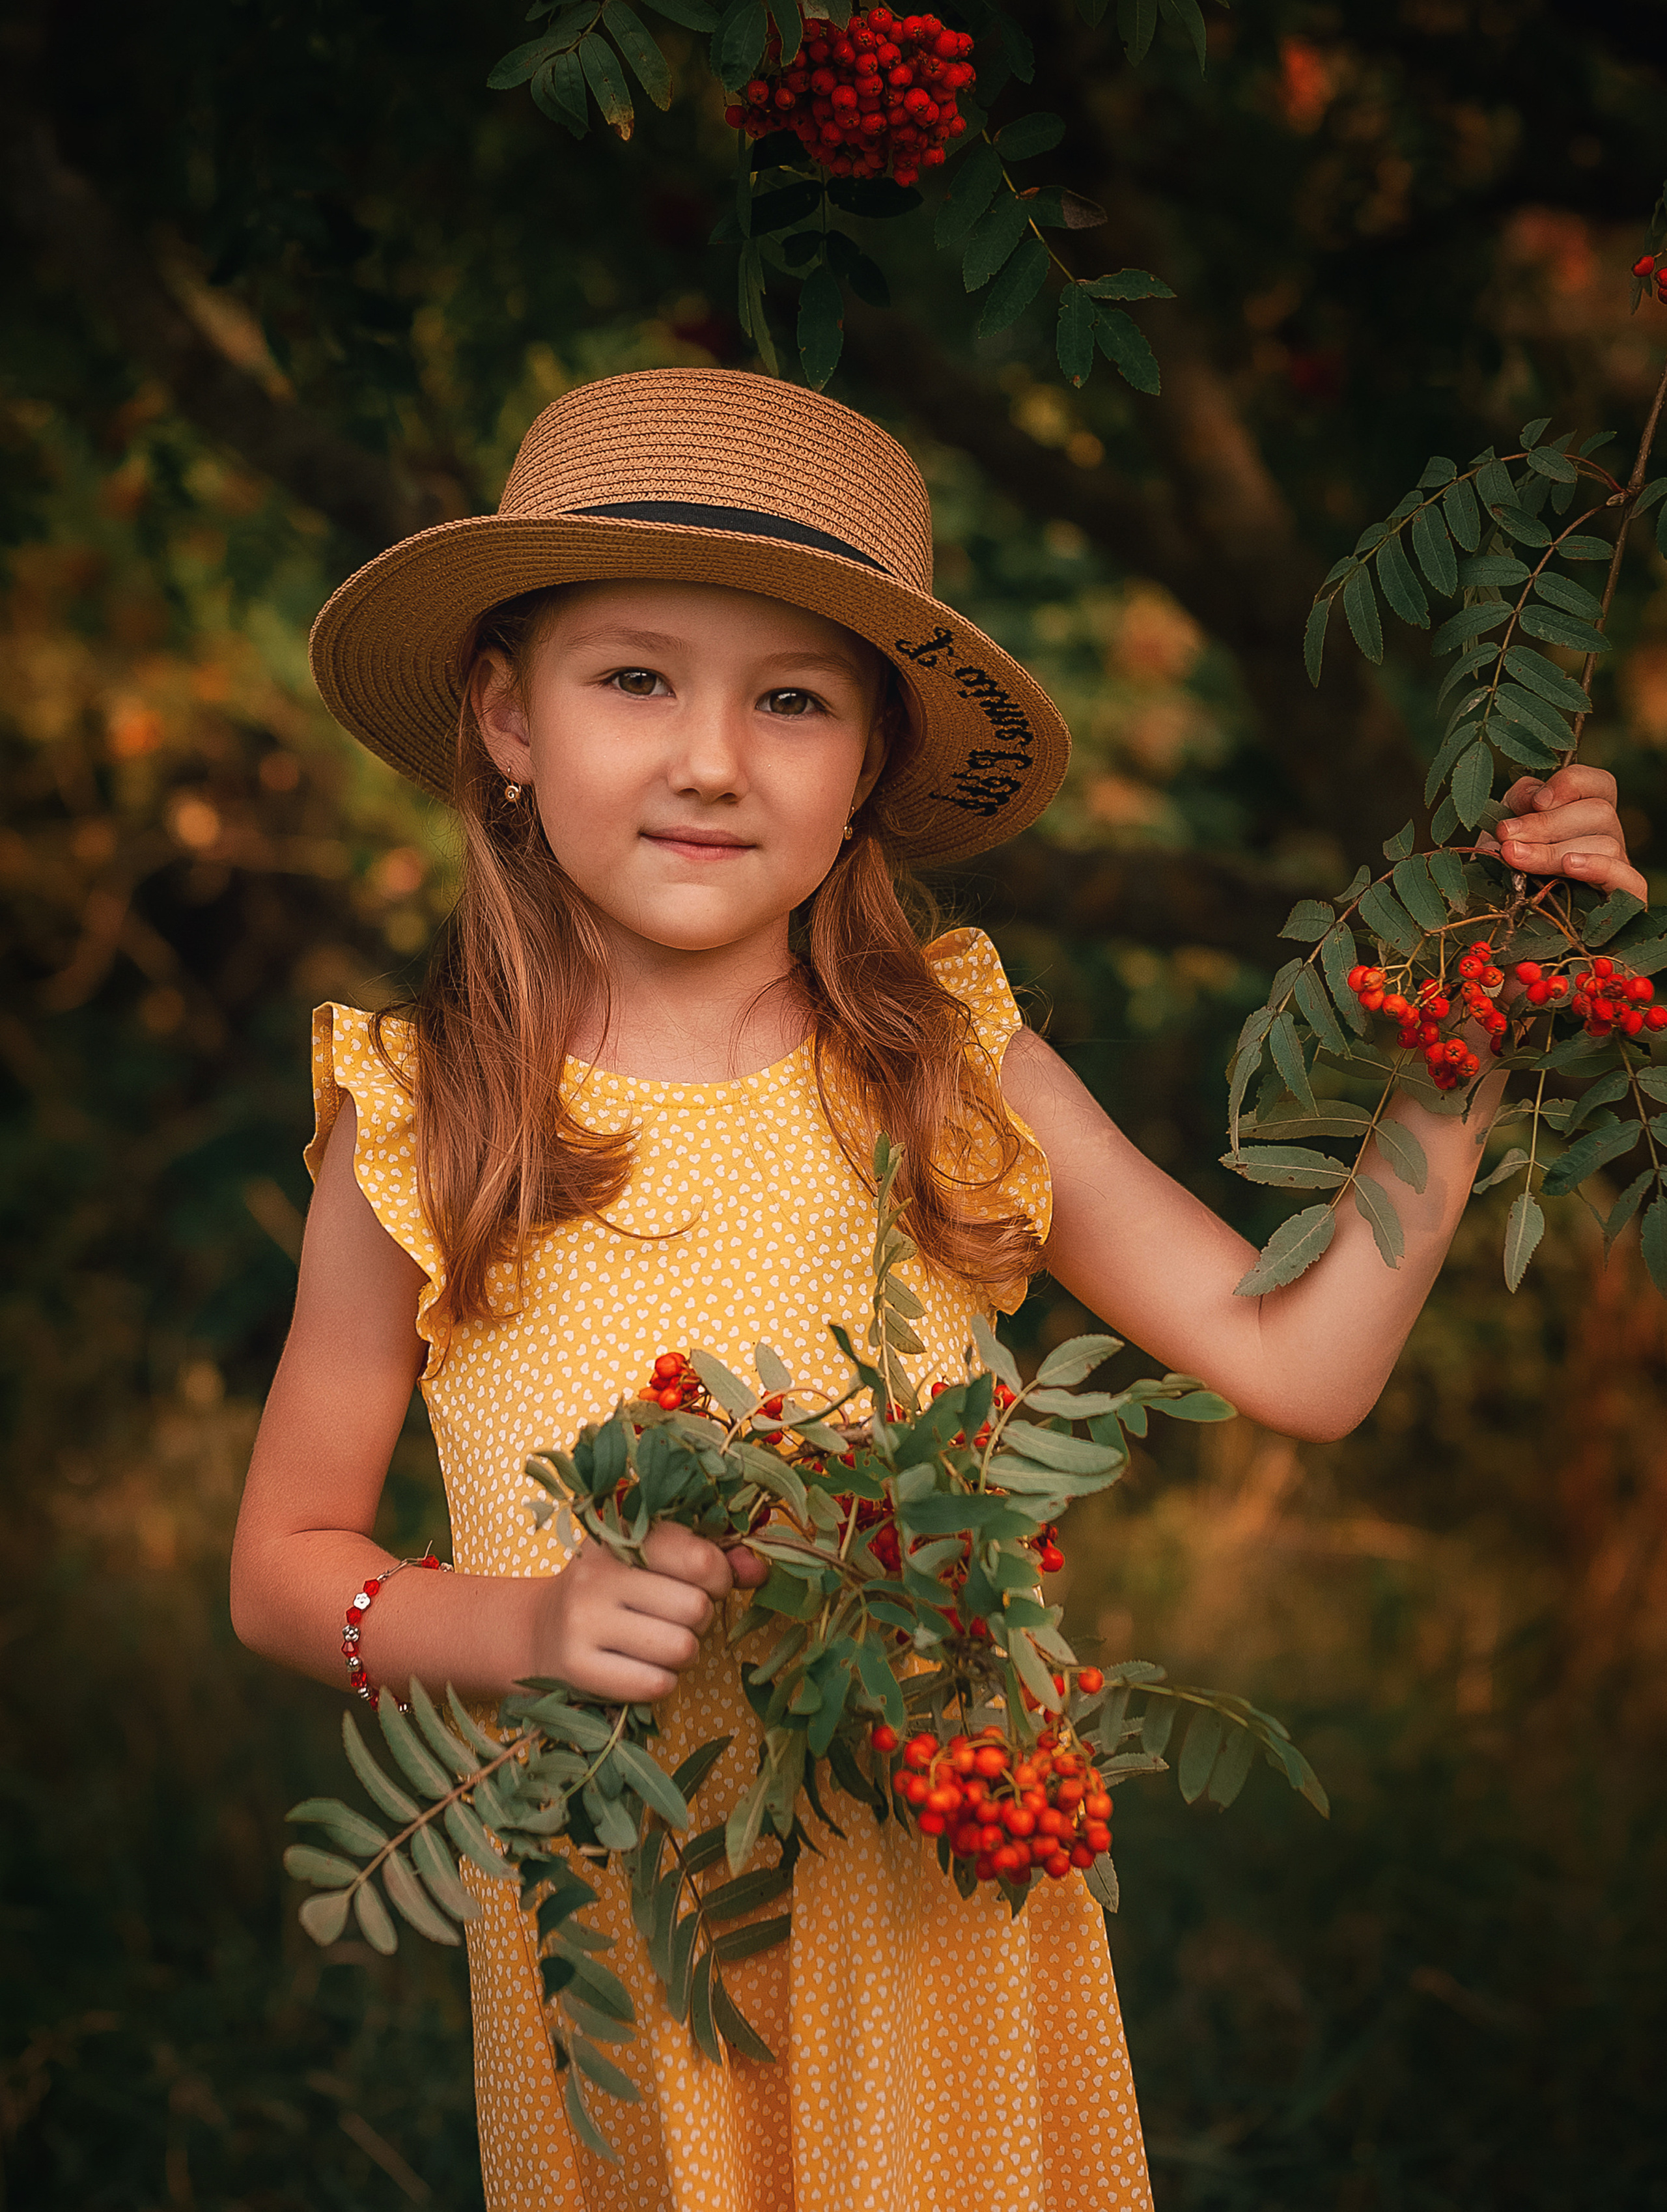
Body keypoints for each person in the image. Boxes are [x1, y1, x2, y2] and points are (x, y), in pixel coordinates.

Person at [230, 366, 1644, 2212]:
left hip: (937, 1906)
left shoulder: (947, 1070)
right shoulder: (421, 1119)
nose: (713, 758)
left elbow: (1302, 1367)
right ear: (506, 713)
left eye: (794, 699)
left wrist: (1461, 1050)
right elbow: (281, 1562)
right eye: (634, 677)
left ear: (870, 768)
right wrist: (522, 1635)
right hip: (627, 1940)